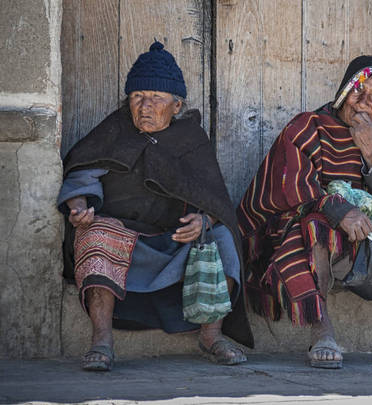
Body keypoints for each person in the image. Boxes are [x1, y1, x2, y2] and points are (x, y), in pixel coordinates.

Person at [237, 56, 372, 369]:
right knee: (316, 225)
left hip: (369, 245)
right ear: (343, 92)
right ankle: (322, 332)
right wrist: (339, 211)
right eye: (358, 90)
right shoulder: (307, 127)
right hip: (317, 239)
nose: (364, 102)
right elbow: (292, 190)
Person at [58, 41, 253, 371]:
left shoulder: (191, 139)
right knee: (95, 234)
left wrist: (203, 221)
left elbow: (214, 199)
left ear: (176, 105)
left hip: (173, 243)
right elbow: (82, 175)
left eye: (156, 99)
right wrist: (80, 208)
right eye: (137, 97)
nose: (145, 106)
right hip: (123, 240)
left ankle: (212, 334)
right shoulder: (115, 130)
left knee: (222, 238)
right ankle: (102, 341)